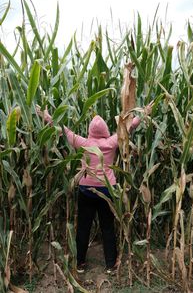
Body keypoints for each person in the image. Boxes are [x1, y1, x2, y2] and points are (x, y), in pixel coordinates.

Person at [36, 104, 152, 274]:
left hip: (86, 190)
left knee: (84, 227)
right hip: (107, 191)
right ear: (105, 129)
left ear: (90, 130)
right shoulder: (112, 142)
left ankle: (80, 263)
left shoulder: (83, 142)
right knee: (107, 227)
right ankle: (111, 265)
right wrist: (144, 114)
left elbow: (63, 130)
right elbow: (129, 126)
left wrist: (46, 116)